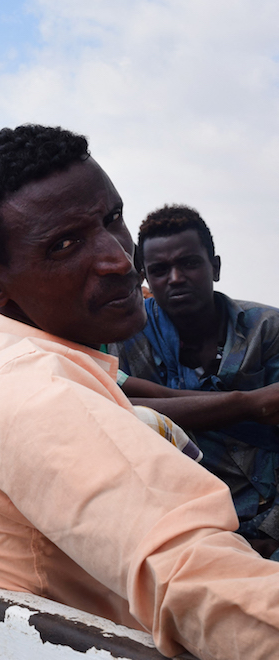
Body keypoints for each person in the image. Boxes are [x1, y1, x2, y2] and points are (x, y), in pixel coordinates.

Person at [0, 124, 279, 660]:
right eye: (66, 244)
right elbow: (202, 583)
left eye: (112, 219)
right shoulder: (38, 394)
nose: (122, 261)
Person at [114, 205, 279, 557]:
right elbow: (115, 411)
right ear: (145, 276)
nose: (175, 278)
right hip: (195, 528)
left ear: (214, 267)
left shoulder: (268, 330)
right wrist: (246, 403)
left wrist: (272, 530)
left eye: (189, 263)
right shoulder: (127, 341)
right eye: (159, 270)